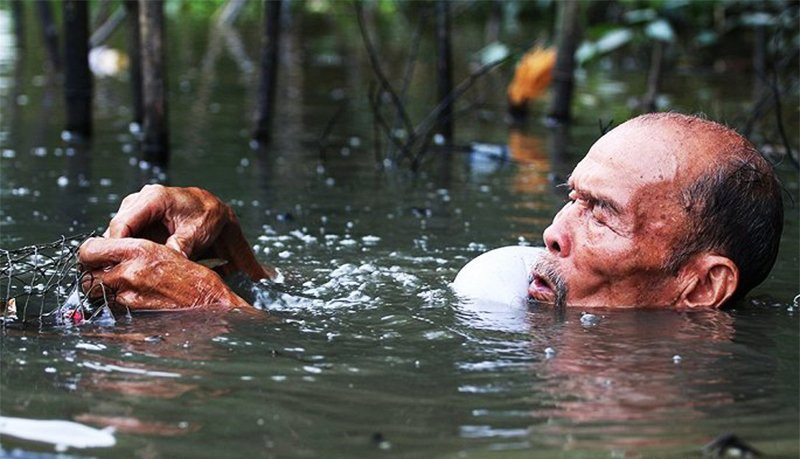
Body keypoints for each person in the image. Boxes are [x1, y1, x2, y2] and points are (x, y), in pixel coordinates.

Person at [79, 112, 784, 310]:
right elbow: (334, 313)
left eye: (601, 214)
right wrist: (239, 258)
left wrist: (213, 311)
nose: (552, 231)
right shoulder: (512, 295)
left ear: (701, 286)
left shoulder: (672, 411)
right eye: (572, 198)